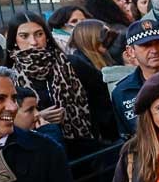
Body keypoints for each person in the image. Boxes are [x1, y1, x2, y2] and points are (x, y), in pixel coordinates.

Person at [6, 12, 115, 153]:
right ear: (14, 39)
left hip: (85, 146)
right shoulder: (9, 77)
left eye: (39, 34)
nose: (33, 42)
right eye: (24, 36)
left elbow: (102, 98)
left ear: (47, 36)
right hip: (40, 150)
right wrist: (37, 117)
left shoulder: (72, 63)